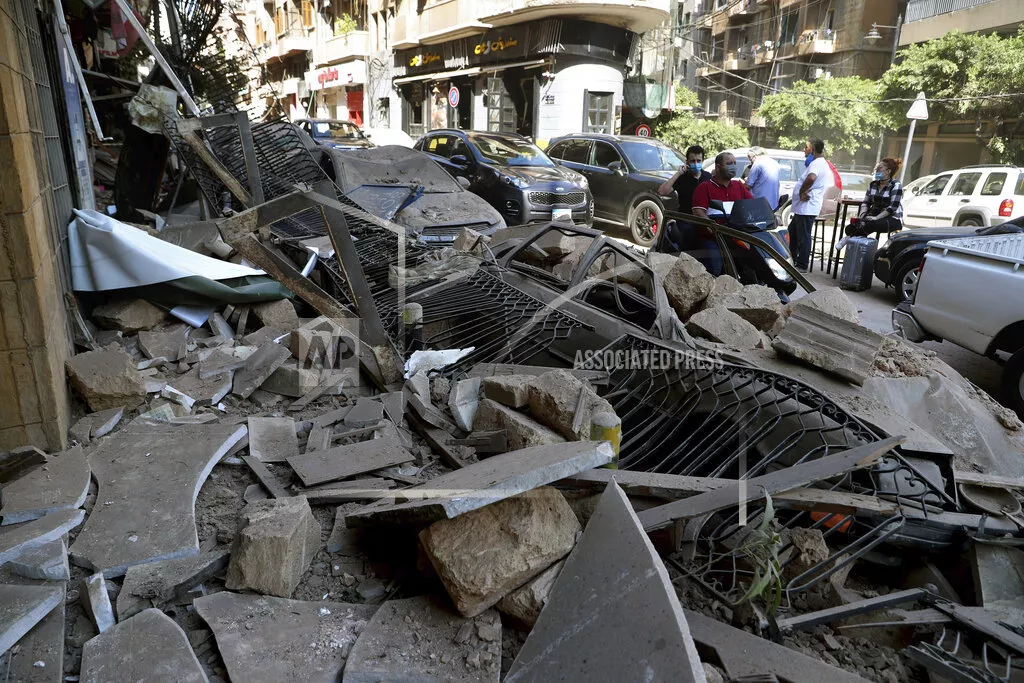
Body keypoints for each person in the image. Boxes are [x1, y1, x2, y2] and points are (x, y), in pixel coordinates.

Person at [688, 152, 754, 274]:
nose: (733, 166)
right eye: (729, 163)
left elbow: (752, 205)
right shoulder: (705, 187)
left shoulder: (738, 186)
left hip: (735, 236)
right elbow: (698, 212)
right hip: (712, 238)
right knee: (716, 263)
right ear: (718, 167)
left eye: (734, 163)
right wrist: (712, 226)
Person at [657, 145, 711, 252]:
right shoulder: (682, 177)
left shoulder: (708, 177)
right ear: (687, 162)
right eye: (692, 161)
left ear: (703, 161)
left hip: (704, 220)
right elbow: (662, 191)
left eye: (698, 160)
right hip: (685, 222)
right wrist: (678, 173)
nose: (696, 164)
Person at [789, 138, 830, 273]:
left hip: (807, 207)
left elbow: (811, 178)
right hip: (803, 208)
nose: (804, 150)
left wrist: (801, 192)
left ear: (812, 149)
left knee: (803, 236)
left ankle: (802, 265)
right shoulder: (818, 163)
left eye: (806, 147)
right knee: (793, 232)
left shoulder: (816, 163)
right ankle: (792, 259)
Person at [844, 157, 904, 238]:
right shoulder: (873, 184)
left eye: (879, 168)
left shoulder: (895, 185)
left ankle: (847, 240)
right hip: (873, 216)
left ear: (888, 171)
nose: (876, 171)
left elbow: (893, 207)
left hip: (892, 218)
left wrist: (876, 218)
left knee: (872, 224)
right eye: (876, 168)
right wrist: (861, 217)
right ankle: (855, 243)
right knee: (850, 228)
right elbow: (866, 203)